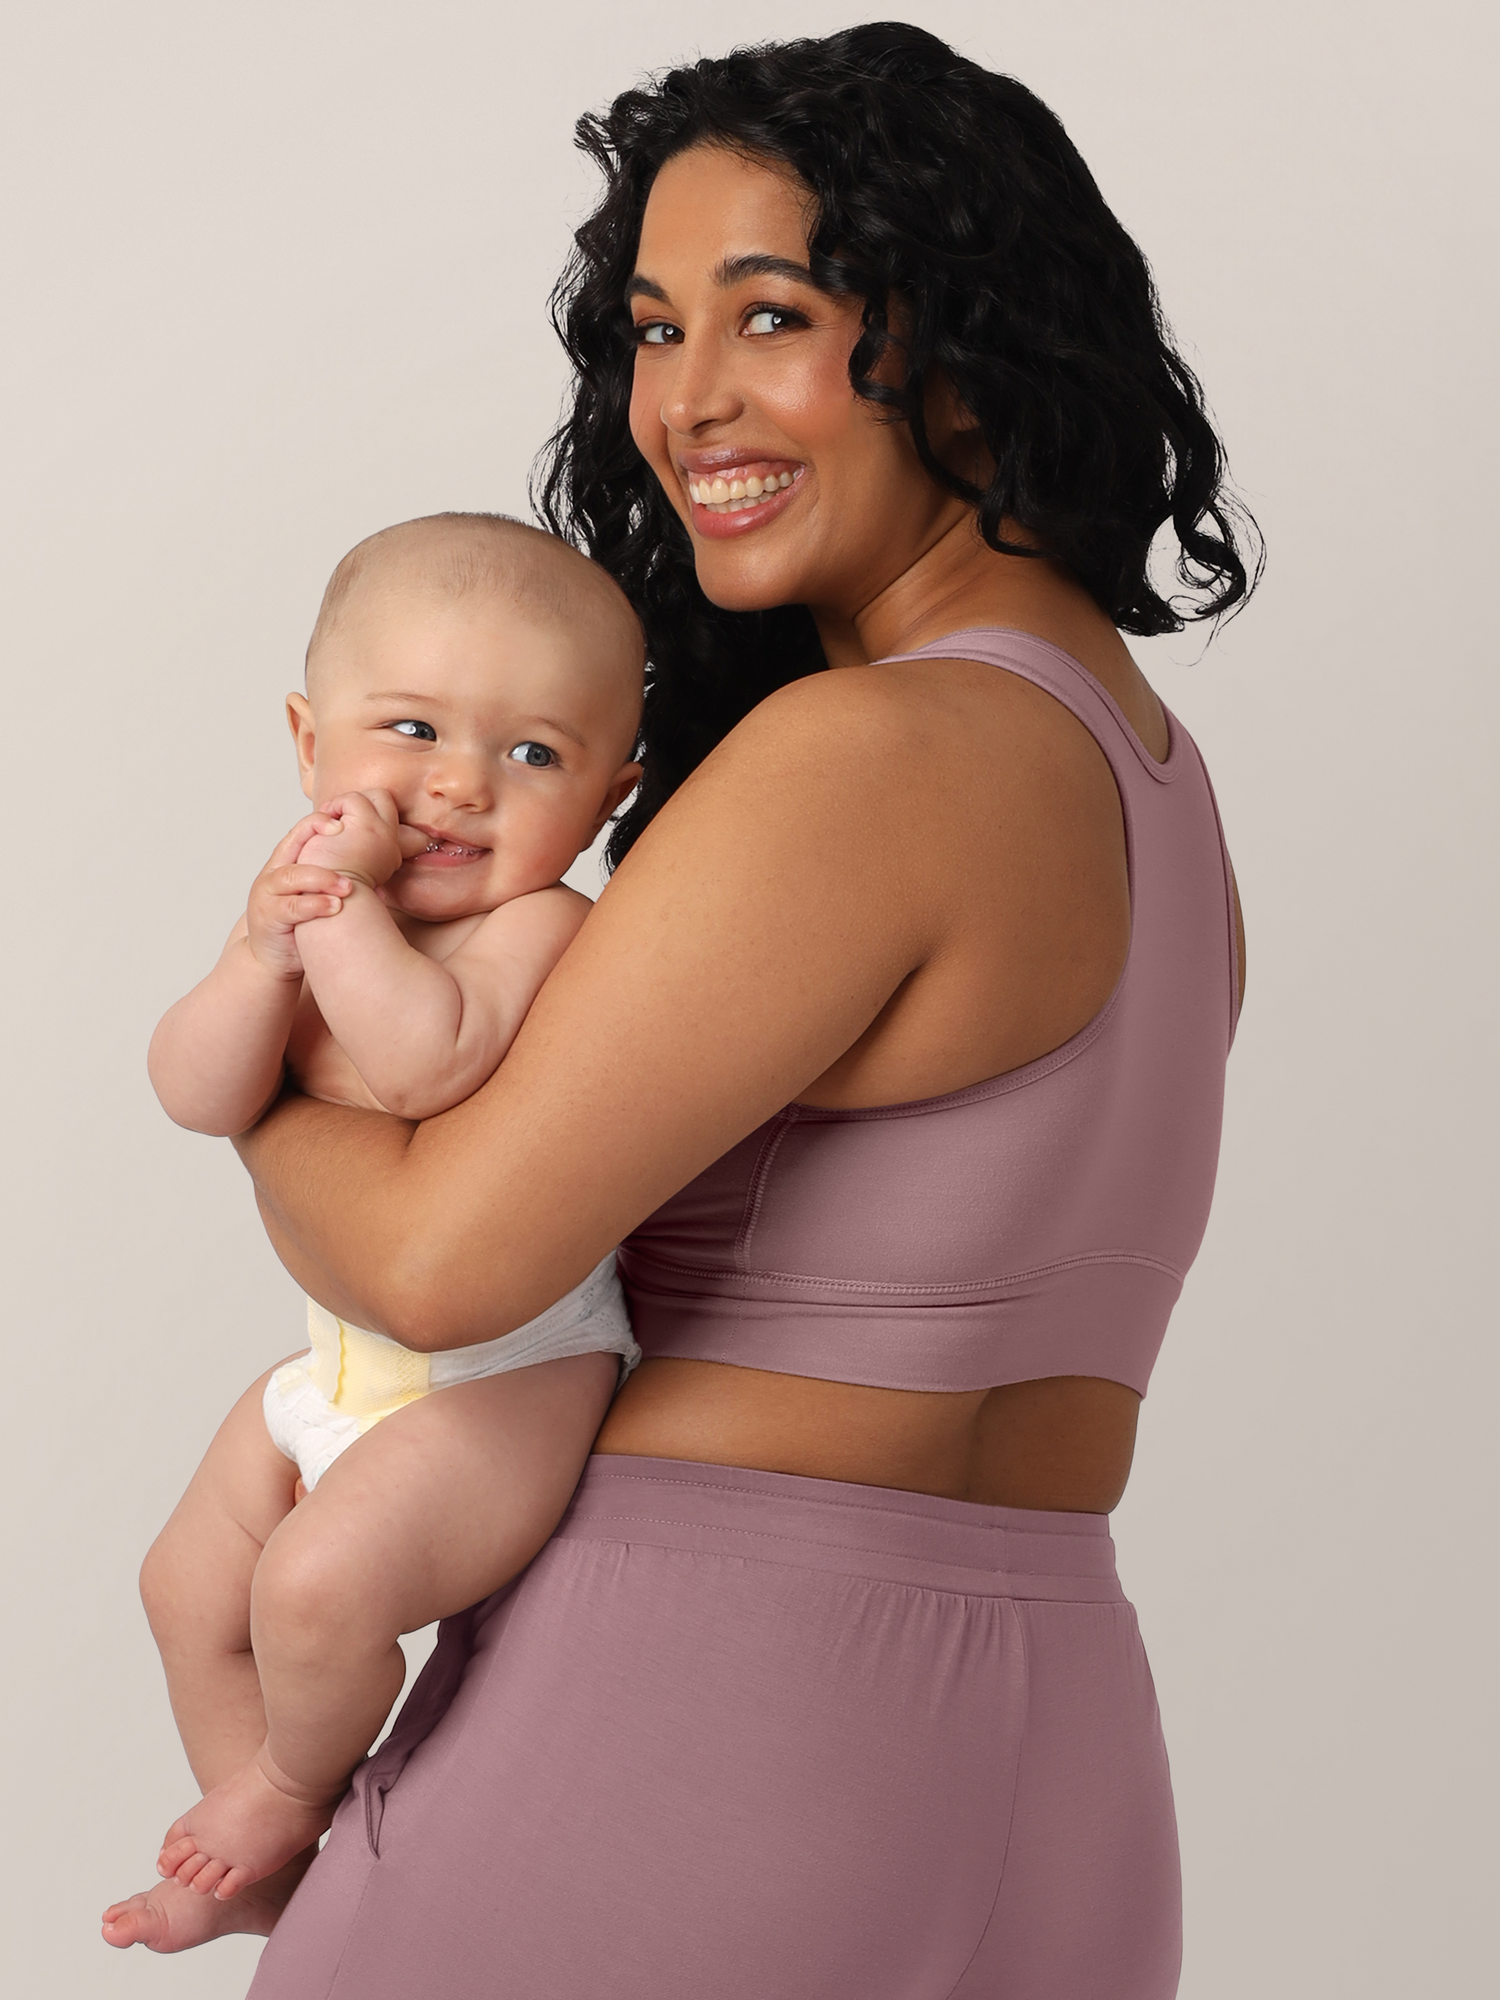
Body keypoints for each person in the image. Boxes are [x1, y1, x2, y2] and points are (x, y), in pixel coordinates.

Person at [116, 22, 1258, 1995]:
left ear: (965, 330)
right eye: (652, 329)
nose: (688, 402)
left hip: (695, 1708)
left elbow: (447, 1264)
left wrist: (285, 995)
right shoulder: (1150, 772)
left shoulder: (867, 755)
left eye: (773, 314)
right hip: (1052, 1734)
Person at [102, 514, 645, 1941]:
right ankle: (279, 1881)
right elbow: (197, 1090)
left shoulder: (544, 930)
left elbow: (426, 1068)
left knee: (319, 1585)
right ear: (308, 740)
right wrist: (256, 955)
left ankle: (289, 1781)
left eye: (535, 755)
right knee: (184, 1587)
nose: (460, 787)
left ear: (607, 797)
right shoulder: (296, 914)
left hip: (515, 1376)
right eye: (409, 729)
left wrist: (333, 925)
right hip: (336, 1363)